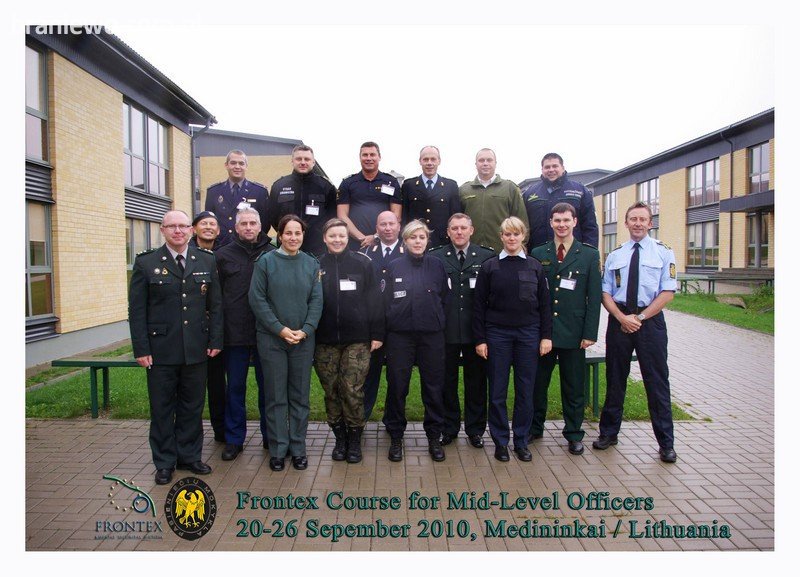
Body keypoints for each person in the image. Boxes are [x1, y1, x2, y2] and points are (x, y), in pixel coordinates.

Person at [128, 210, 222, 485]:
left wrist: (216, 339)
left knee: (192, 407)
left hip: (196, 348)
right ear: (163, 230)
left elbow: (215, 305)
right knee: (162, 408)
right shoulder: (146, 263)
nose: (178, 231)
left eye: (182, 226)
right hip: (161, 350)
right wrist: (141, 348)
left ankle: (189, 457)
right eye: (172, 226)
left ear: (191, 230)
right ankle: (164, 462)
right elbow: (137, 310)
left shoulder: (206, 260)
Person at [593, 201, 678, 463]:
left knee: (657, 382)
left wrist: (639, 318)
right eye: (633, 219)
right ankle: (608, 433)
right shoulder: (615, 255)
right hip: (619, 321)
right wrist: (621, 317)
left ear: (650, 223)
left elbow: (668, 292)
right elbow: (605, 292)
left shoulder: (663, 252)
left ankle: (666, 444)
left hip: (649, 321)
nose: (638, 223)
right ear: (626, 223)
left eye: (642, 219)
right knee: (615, 379)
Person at [473, 216, 552, 462]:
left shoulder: (534, 266)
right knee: (497, 390)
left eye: (516, 234)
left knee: (525, 390)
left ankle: (521, 441)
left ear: (523, 236)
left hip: (528, 334)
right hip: (497, 334)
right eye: (507, 234)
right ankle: (500, 442)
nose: (511, 238)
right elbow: (478, 306)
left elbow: (545, 305)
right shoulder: (490, 267)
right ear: (501, 237)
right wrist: (480, 339)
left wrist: (546, 336)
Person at [249, 215, 323, 472]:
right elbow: (257, 299)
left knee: (300, 397)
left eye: (298, 233)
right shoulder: (265, 262)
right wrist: (280, 329)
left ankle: (298, 449)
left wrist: (306, 330)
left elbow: (316, 300)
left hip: (302, 340)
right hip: (272, 339)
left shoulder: (311, 264)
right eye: (288, 233)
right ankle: (279, 449)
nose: (293, 237)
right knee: (275, 396)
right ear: (279, 235)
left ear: (303, 235)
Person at [530, 203, 601, 455]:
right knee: (538, 384)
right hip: (544, 333)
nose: (562, 225)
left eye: (566, 220)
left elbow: (594, 296)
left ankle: (573, 433)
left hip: (574, 332)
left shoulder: (589, 254)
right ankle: (535, 428)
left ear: (575, 222)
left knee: (573, 386)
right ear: (551, 223)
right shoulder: (538, 252)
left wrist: (590, 333)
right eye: (557, 220)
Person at [314, 218, 385, 463]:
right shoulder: (315, 265)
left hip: (358, 339)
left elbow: (375, 299)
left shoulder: (363, 263)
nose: (337, 240)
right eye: (332, 236)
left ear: (348, 238)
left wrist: (377, 333)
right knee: (331, 391)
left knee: (352, 389)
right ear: (325, 238)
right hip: (324, 340)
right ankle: (340, 439)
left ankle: (355, 439)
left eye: (341, 236)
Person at [382, 220, 450, 462]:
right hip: (400, 337)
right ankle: (396, 436)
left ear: (427, 240)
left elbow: (445, 298)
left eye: (422, 237)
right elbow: (385, 302)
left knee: (433, 387)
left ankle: (434, 436)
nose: (418, 241)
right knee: (397, 386)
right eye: (413, 237)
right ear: (405, 241)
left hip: (431, 336)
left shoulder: (437, 265)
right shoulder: (394, 266)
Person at [429, 213, 494, 448]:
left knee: (476, 382)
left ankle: (475, 430)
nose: (459, 232)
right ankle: (449, 428)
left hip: (475, 331)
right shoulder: (436, 257)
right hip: (445, 330)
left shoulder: (486, 257)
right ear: (448, 232)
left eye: (463, 228)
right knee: (446, 382)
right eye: (454, 228)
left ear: (471, 230)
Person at [215, 207, 275, 461]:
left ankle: (270, 436)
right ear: (236, 227)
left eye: (253, 223)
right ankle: (234, 439)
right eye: (244, 224)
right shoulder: (222, 255)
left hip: (266, 332)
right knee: (235, 388)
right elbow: (216, 298)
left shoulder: (273, 253)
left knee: (268, 388)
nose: (249, 227)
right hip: (235, 333)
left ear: (260, 226)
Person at [359, 211, 404, 420]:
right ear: (376, 228)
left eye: (391, 224)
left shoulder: (408, 251)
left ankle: (392, 420)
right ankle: (361, 420)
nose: (387, 228)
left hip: (398, 326)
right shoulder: (366, 252)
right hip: (372, 325)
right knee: (368, 375)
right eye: (383, 224)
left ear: (399, 226)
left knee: (396, 377)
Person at [189, 210, 225, 442]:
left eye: (213, 224)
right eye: (204, 223)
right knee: (192, 388)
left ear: (218, 230)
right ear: (194, 229)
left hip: (217, 329)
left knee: (217, 385)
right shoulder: (186, 254)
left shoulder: (223, 255)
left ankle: (220, 431)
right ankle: (190, 435)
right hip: (192, 330)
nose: (209, 227)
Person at [268, 144, 337, 257]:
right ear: (292, 161)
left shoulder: (325, 186)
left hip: (317, 249)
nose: (303, 162)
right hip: (287, 246)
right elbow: (272, 216)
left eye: (307, 159)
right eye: (299, 159)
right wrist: (288, 232)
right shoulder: (279, 185)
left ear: (313, 162)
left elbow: (332, 217)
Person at [522, 153, 599, 248]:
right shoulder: (529, 194)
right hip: (537, 252)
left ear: (563, 168)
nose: (551, 170)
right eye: (547, 167)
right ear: (542, 170)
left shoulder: (580, 191)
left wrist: (590, 250)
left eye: (555, 166)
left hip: (573, 252)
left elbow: (590, 225)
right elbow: (522, 225)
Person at [459, 148, 529, 251]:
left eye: (489, 160)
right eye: (481, 160)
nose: (485, 163)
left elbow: (521, 221)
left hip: (502, 251)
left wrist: (520, 248)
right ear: (476, 164)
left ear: (495, 163)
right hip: (472, 252)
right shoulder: (464, 190)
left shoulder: (510, 188)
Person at [337, 141, 402, 251]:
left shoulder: (391, 182)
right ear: (360, 157)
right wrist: (362, 238)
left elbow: (397, 215)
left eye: (372, 155)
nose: (368, 158)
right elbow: (342, 216)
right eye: (365, 155)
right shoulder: (348, 183)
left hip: (385, 243)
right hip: (354, 244)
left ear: (379, 157)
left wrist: (376, 237)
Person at [401, 146, 462, 247]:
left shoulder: (451, 186)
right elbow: (404, 217)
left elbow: (455, 217)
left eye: (433, 159)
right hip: (415, 243)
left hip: (442, 243)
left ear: (439, 161)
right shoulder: (408, 185)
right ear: (420, 161)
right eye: (425, 159)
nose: (429, 163)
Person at [205, 150, 269, 246]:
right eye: (233, 163)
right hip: (221, 246)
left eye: (241, 163)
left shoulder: (259, 191)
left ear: (246, 166)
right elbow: (210, 221)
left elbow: (265, 223)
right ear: (226, 165)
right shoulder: (213, 191)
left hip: (249, 247)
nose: (237, 167)